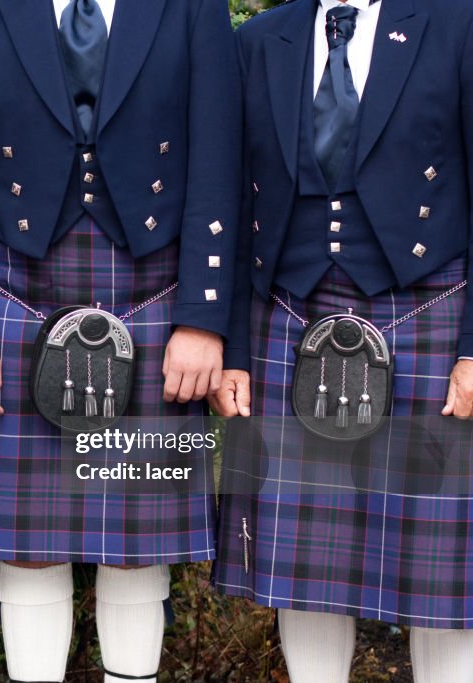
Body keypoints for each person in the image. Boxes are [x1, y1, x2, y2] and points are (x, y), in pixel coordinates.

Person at [0, 1, 241, 680]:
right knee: (29, 544)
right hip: (16, 294)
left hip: (155, 300)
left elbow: (218, 156)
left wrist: (202, 315)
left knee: (135, 545)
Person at [212, 0, 473, 680]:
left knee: (439, 580)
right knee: (305, 567)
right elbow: (233, 207)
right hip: (290, 320)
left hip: (428, 315)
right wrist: (234, 349)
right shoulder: (262, 40)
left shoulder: (457, 24)